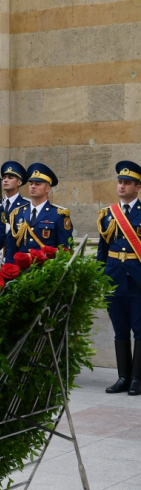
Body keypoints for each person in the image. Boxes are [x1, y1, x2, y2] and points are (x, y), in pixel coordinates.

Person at [97, 161, 141, 395]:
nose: (122, 186)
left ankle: (137, 379)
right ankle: (123, 377)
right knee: (120, 330)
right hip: (114, 279)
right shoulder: (107, 215)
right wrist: (98, 277)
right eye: (120, 182)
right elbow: (102, 251)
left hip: (137, 281)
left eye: (127, 183)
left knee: (140, 330)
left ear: (138, 187)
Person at [5, 163, 74, 263]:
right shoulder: (17, 213)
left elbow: (65, 251)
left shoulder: (58, 215)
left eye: (37, 184)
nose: (33, 186)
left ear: (48, 188)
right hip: (21, 273)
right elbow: (11, 249)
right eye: (31, 184)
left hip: (46, 272)